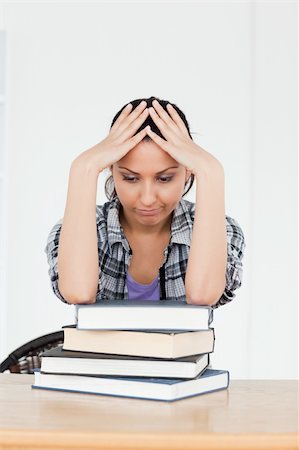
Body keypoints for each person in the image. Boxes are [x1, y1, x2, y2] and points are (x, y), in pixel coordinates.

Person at [45, 96, 245, 309]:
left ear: (188, 171)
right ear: (111, 169)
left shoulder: (223, 230)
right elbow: (78, 292)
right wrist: (83, 168)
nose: (148, 199)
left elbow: (203, 297)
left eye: (164, 178)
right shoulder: (84, 229)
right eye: (131, 178)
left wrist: (210, 171)